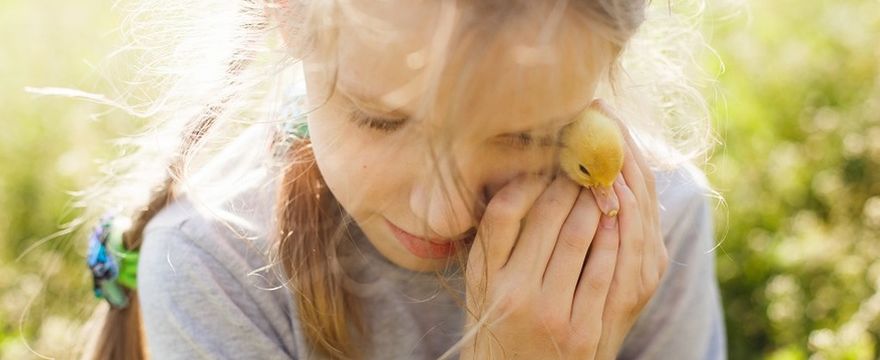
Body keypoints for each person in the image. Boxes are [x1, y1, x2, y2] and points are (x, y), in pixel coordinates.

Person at [80, 0, 726, 359]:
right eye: (380, 122)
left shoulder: (650, 229)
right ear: (287, 15)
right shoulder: (213, 268)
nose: (442, 215)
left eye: (525, 134)